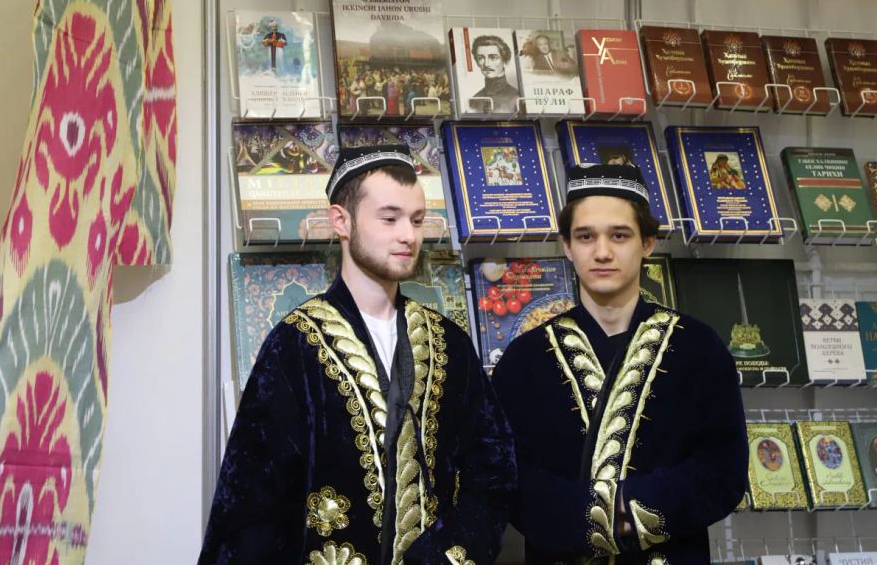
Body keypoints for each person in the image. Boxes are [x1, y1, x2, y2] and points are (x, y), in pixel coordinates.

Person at [200, 145, 517, 564]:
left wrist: (450, 553)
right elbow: (250, 508)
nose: (408, 235)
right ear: (341, 220)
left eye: (417, 220)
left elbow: (493, 471)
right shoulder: (293, 346)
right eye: (389, 218)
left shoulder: (450, 343)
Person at [493, 164, 748, 564]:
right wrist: (598, 517)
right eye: (585, 236)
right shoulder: (524, 359)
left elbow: (722, 471)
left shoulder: (699, 348)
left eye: (619, 235)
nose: (602, 252)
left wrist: (627, 508)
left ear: (647, 242)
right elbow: (508, 479)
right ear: (567, 246)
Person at [468, 34, 520, 114]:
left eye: (493, 57)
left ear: (505, 61)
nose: (486, 64)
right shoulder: (473, 101)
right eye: (481, 58)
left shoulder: (517, 97)